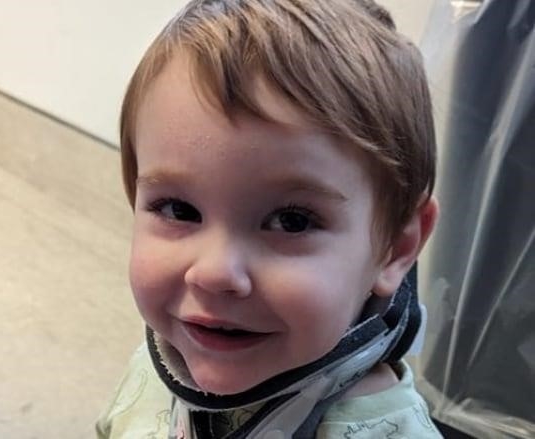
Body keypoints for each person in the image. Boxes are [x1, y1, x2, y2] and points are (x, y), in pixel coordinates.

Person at [97, 0, 442, 437]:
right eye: (179, 210)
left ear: (396, 247)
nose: (214, 272)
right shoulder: (159, 362)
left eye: (292, 221)